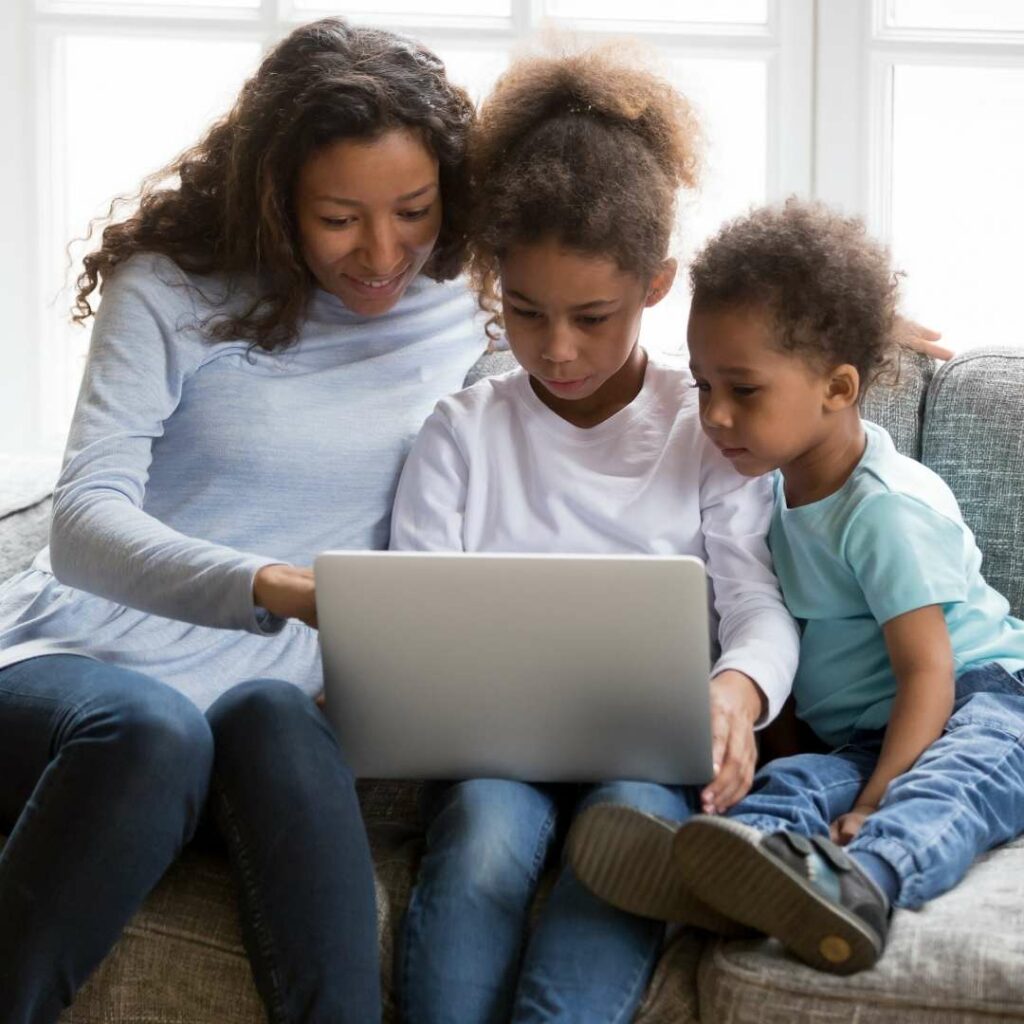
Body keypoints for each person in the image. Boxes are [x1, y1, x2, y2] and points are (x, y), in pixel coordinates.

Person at [0, 18, 484, 1024]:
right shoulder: (170, 288)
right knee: (153, 730)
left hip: (261, 713)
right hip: (82, 682)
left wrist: (855, 325)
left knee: (264, 722)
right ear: (274, 198)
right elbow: (82, 524)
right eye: (340, 219)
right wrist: (279, 588)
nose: (383, 252)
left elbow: (621, 278)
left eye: (414, 210)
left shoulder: (463, 293)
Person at [387, 44, 801, 1023]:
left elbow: (756, 605)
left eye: (592, 315)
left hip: (651, 754)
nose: (557, 348)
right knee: (485, 832)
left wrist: (734, 699)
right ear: (492, 282)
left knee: (626, 840)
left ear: (656, 285)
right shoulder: (461, 431)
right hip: (494, 749)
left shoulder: (705, 427)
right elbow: (412, 618)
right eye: (524, 312)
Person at [567, 199, 1024, 976]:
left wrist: (874, 802)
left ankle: (863, 884)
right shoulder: (762, 494)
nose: (712, 414)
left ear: (839, 389)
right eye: (705, 383)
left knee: (953, 786)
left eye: (743, 391)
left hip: (986, 698)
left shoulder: (882, 509)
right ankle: (722, 874)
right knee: (791, 787)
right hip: (869, 731)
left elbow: (928, 673)